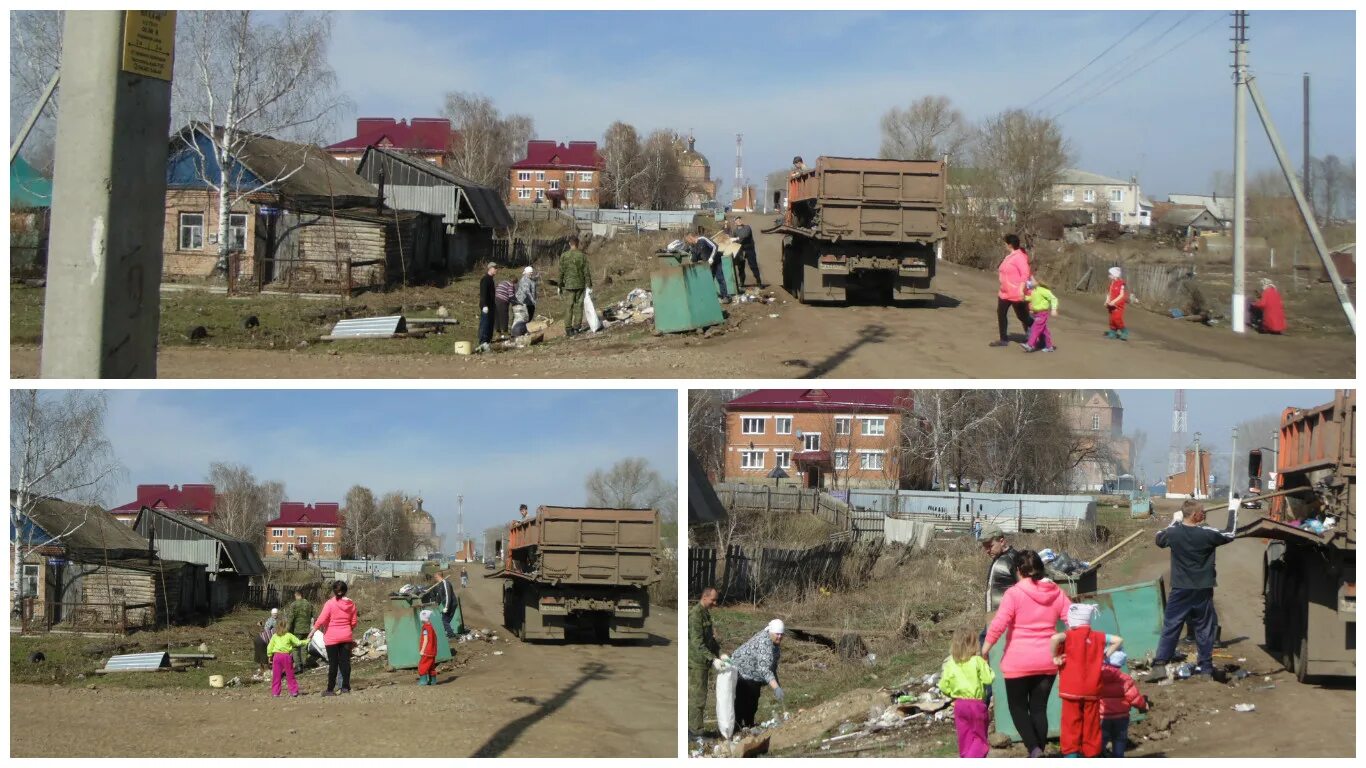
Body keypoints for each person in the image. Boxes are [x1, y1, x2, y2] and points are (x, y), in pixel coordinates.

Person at [981, 549, 1073, 759]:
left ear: (1019, 571)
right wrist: (1067, 642)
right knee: (1039, 709)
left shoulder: (1014, 593)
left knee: (1018, 708)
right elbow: (1074, 620)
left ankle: (1034, 749)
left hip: (1018, 662)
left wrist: (985, 650)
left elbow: (998, 624)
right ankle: (1037, 752)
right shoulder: (1056, 591)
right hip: (1048, 660)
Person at [1151, 498, 1236, 678]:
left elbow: (1159, 538)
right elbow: (1230, 534)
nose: (1204, 513)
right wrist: (1233, 509)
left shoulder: (1174, 533)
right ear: (1196, 515)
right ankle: (1205, 668)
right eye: (1202, 511)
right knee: (1204, 627)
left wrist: (1173, 521)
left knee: (1171, 625)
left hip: (1180, 588)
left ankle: (1160, 664)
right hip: (1202, 589)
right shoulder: (1206, 533)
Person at [1049, 604, 1123, 758]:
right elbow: (1118, 640)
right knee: (1092, 724)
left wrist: (1055, 656)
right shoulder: (1098, 636)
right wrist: (1104, 655)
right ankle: (1091, 754)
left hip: (1071, 690)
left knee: (1071, 723)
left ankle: (1071, 755)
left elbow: (1055, 638)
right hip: (1092, 689)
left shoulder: (1068, 635)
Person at [939, 626, 995, 758]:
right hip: (976, 705)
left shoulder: (951, 663)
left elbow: (943, 686)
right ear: (974, 644)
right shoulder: (977, 661)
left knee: (965, 739)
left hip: (959, 705)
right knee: (980, 740)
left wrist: (952, 693)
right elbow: (989, 679)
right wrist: (986, 664)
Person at [729, 619, 785, 729]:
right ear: (771, 632)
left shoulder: (775, 644)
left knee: (753, 699)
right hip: (742, 670)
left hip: (754, 672)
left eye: (782, 634)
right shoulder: (764, 643)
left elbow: (772, 666)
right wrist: (776, 687)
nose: (780, 637)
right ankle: (737, 727)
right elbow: (764, 669)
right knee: (745, 699)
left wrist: (777, 685)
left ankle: (749, 724)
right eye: (777, 634)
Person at [1098, 651, 1149, 757]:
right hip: (1121, 717)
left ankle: (1098, 755)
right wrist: (1144, 705)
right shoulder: (1124, 678)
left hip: (1102, 716)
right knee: (1119, 740)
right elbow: (1134, 698)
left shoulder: (1098, 677)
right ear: (1120, 664)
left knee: (1101, 740)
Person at [313, 580, 358, 696]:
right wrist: (348, 630)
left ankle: (330, 689)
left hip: (331, 637)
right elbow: (353, 621)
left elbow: (322, 619)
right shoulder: (351, 604)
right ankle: (345, 687)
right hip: (346, 636)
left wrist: (312, 632)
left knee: (333, 664)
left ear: (334, 591)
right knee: (345, 663)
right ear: (345, 591)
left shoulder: (330, 603)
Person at [688, 587, 723, 737]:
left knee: (701, 695)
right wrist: (712, 658)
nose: (715, 603)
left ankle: (695, 729)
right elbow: (697, 642)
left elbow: (710, 640)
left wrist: (720, 655)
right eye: (713, 600)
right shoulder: (695, 615)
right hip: (697, 662)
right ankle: (695, 733)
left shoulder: (706, 614)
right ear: (704, 597)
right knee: (698, 697)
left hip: (704, 661)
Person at [990, 234, 1032, 347]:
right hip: (1004, 292)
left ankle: (1039, 331)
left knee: (1022, 317)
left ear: (1009, 244)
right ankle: (1003, 339)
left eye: (1005, 243)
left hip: (1016, 293)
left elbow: (1025, 273)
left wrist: (1021, 288)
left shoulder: (1019, 257)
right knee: (1001, 313)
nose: (1004, 245)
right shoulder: (1009, 256)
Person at [559, 236, 591, 336]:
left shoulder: (564, 256)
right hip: (580, 284)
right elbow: (586, 271)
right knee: (579, 306)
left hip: (568, 285)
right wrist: (589, 285)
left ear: (569, 244)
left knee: (568, 307)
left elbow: (561, 272)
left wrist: (559, 285)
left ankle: (568, 329)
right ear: (577, 244)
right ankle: (577, 327)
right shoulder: (582, 256)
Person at [267, 621, 309, 697]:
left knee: (276, 675)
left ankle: (275, 692)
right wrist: (307, 641)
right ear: (286, 627)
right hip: (286, 656)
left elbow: (269, 647)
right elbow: (298, 643)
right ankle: (294, 691)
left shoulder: (275, 636)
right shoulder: (289, 635)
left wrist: (269, 656)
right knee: (290, 674)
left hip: (277, 656)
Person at [686, 232, 729, 303]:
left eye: (688, 240)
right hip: (707, 265)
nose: (688, 242)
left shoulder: (703, 239)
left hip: (716, 261)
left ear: (691, 238)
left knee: (720, 278)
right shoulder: (694, 246)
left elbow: (715, 246)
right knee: (709, 280)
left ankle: (725, 296)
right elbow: (695, 258)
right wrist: (691, 259)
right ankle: (711, 296)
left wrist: (711, 258)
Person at [1022, 278, 1059, 353]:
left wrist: (1054, 309)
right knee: (1044, 331)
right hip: (1037, 313)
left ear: (1037, 282)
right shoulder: (1034, 291)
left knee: (1034, 328)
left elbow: (1054, 298)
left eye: (1031, 280)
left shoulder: (1043, 290)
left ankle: (1030, 345)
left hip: (1042, 313)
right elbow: (1031, 298)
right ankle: (1049, 347)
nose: (1029, 282)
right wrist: (1024, 298)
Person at [423, 570, 459, 639]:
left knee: (444, 621)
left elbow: (448, 595)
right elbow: (439, 597)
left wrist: (446, 607)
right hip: (448, 605)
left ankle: (451, 635)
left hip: (451, 604)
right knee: (445, 621)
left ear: (438, 576)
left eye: (435, 577)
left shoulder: (445, 583)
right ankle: (448, 633)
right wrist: (435, 604)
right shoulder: (440, 585)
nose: (435, 579)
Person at [285, 589, 315, 673]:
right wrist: (312, 628)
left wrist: (287, 630)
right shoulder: (309, 604)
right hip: (306, 630)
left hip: (296, 630)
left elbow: (290, 619)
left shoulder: (293, 605)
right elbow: (314, 616)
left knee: (295, 648)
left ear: (296, 595)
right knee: (304, 647)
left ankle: (298, 666)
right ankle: (304, 664)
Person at [730, 217, 762, 289]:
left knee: (753, 266)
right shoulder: (735, 231)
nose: (739, 221)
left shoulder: (747, 227)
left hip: (749, 250)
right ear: (735, 223)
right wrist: (731, 240)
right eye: (737, 220)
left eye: (740, 220)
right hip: (740, 251)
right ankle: (742, 283)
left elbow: (746, 235)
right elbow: (733, 241)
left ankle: (759, 281)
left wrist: (737, 238)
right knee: (740, 267)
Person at [253, 607, 280, 679]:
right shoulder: (275, 624)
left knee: (260, 655)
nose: (275, 615)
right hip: (264, 639)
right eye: (274, 614)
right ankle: (266, 670)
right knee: (265, 654)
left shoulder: (270, 620)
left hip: (259, 637)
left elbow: (266, 628)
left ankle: (263, 669)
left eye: (276, 614)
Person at [1104, 266, 1128, 341]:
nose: (1109, 275)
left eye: (1110, 274)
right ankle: (1113, 331)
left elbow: (1122, 295)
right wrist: (1107, 300)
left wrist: (1114, 302)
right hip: (1111, 305)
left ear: (1115, 275)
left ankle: (1124, 331)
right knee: (1111, 319)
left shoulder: (1121, 284)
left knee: (1117, 318)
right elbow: (1109, 293)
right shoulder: (1111, 284)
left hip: (1118, 305)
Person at [477, 262, 497, 352]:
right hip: (486, 306)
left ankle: (488, 341)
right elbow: (483, 293)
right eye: (495, 268)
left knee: (490, 324)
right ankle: (483, 341)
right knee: (485, 323)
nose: (496, 270)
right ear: (490, 268)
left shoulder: (491, 279)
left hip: (492, 305)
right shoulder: (485, 279)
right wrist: (484, 305)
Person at [417, 608, 438, 686]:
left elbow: (426, 640)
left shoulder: (425, 628)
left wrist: (422, 650)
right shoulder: (431, 627)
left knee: (423, 665)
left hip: (427, 651)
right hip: (432, 651)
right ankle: (433, 681)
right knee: (431, 666)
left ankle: (423, 681)